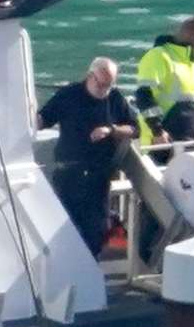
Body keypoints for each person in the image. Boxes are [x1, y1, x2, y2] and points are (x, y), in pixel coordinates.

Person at [37, 57, 137, 255]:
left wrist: (112, 130)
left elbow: (134, 128)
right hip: (69, 173)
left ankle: (91, 267)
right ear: (90, 77)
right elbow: (42, 119)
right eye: (101, 85)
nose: (105, 90)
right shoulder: (69, 95)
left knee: (95, 231)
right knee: (67, 228)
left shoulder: (115, 98)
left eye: (109, 85)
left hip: (98, 176)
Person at [135, 14, 194, 147]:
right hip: (162, 144)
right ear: (190, 38)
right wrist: (157, 131)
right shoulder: (158, 56)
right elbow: (143, 96)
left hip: (192, 141)